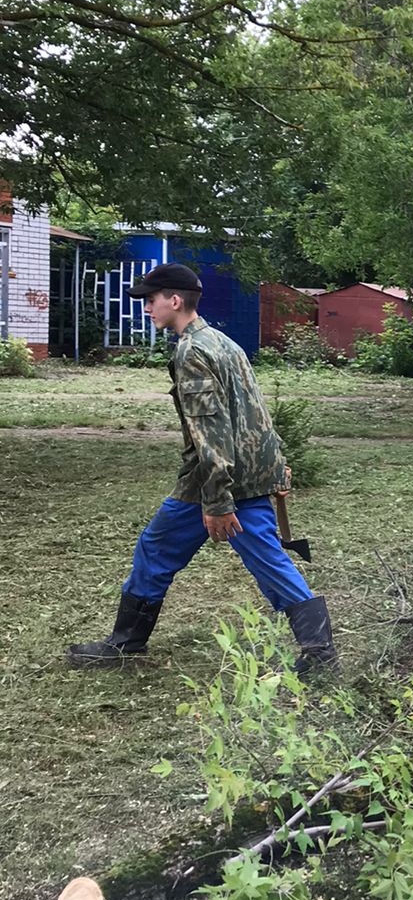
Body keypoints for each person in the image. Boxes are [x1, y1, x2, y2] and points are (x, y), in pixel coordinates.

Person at [66, 263, 338, 675]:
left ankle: (319, 654)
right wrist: (277, 467)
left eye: (150, 301)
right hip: (234, 476)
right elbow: (256, 412)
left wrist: (217, 501)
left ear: (174, 301)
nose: (146, 309)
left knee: (260, 558)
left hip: (221, 482)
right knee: (161, 547)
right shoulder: (223, 342)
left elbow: (212, 432)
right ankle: (126, 641)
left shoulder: (193, 352)